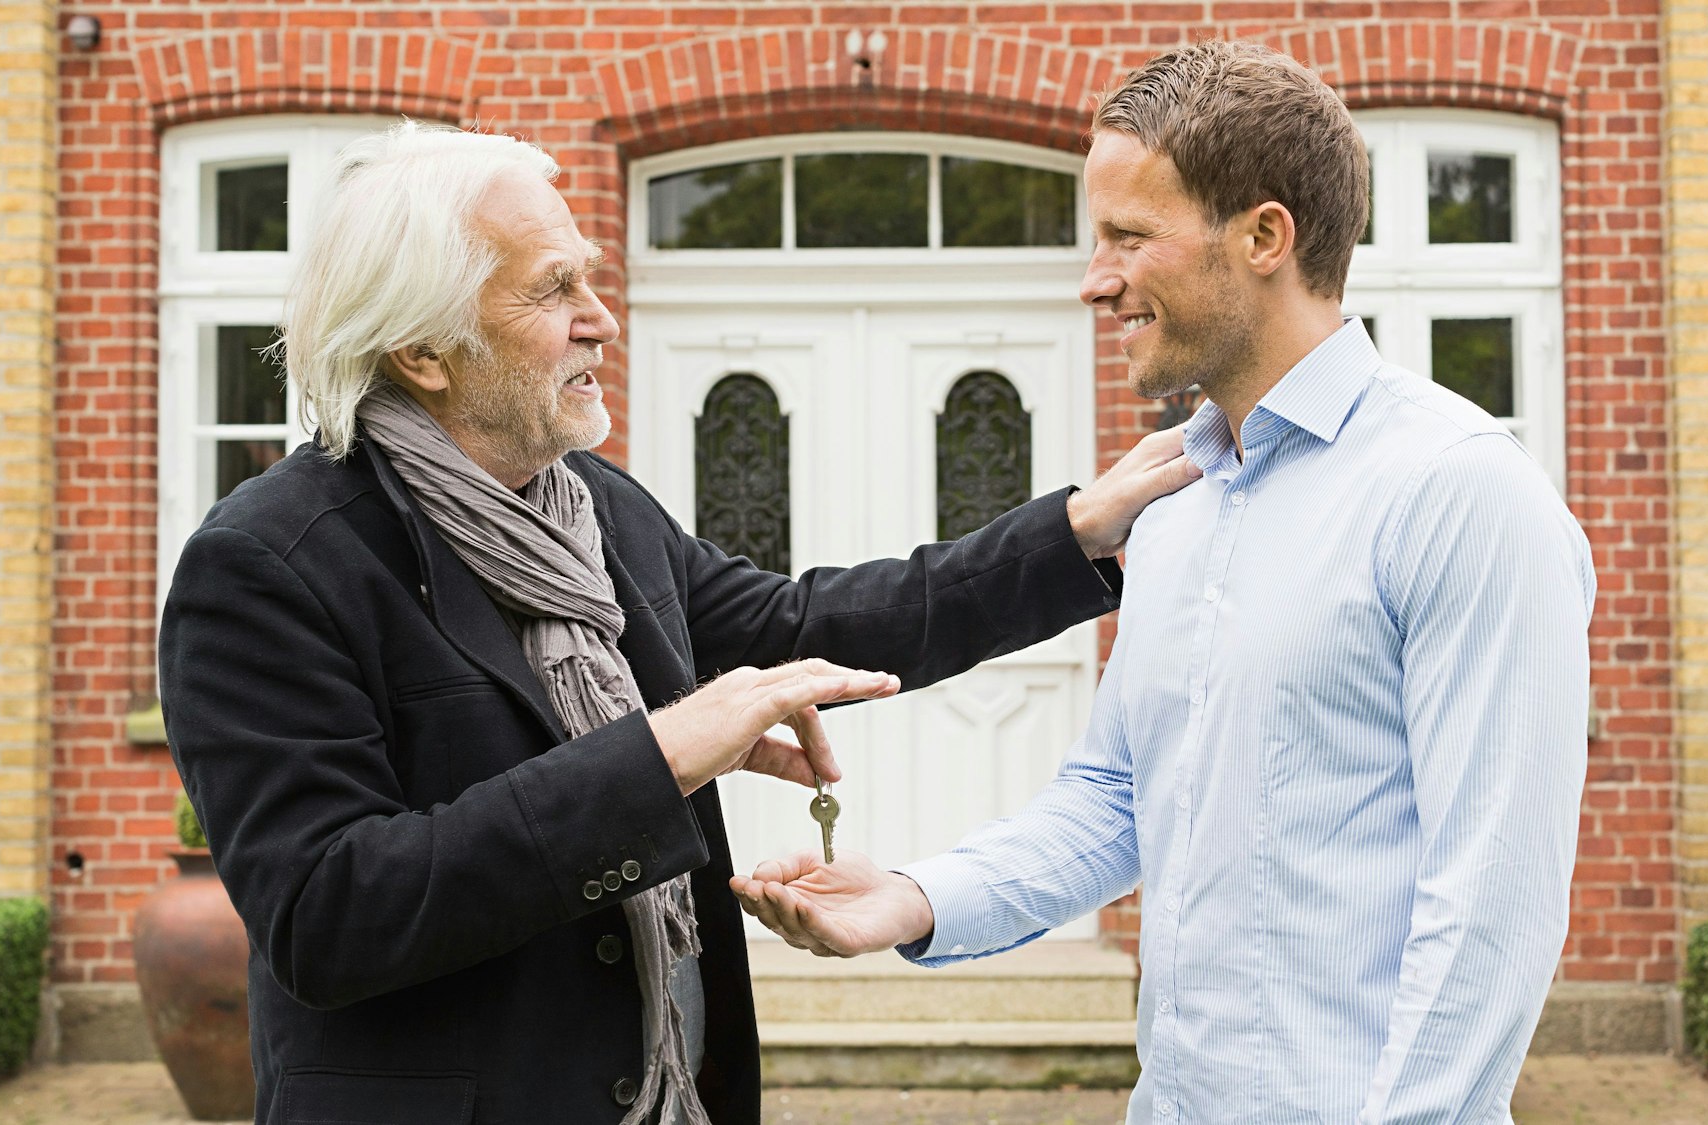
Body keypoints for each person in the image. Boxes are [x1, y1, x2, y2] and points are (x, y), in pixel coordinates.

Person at [157, 122, 1199, 1125]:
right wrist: (656, 760)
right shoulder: (270, 567)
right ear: (426, 351)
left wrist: (1070, 534)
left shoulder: (594, 511)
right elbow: (331, 915)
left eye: (587, 279)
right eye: (553, 288)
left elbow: (807, 621)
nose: (599, 318)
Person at [732, 40, 1598, 1124]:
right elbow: (1120, 797)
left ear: (1263, 237)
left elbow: (1489, 903)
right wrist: (913, 900)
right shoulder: (1177, 499)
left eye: (1127, 239)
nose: (1095, 280)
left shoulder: (1457, 495)